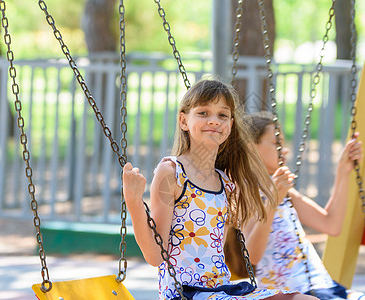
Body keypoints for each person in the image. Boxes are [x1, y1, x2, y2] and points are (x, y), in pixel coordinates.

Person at [123, 79, 318, 300]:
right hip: (186, 293)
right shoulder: (172, 172)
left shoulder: (226, 182)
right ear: (183, 120)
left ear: (231, 124)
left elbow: (246, 247)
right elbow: (155, 255)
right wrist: (134, 201)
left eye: (222, 115)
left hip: (221, 290)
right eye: (204, 113)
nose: (214, 121)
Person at [239, 112, 365, 300]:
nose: (285, 150)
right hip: (295, 292)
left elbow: (331, 225)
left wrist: (343, 170)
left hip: (324, 285)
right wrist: (272, 203)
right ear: (250, 148)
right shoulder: (242, 193)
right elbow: (249, 257)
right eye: (276, 143)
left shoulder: (284, 190)